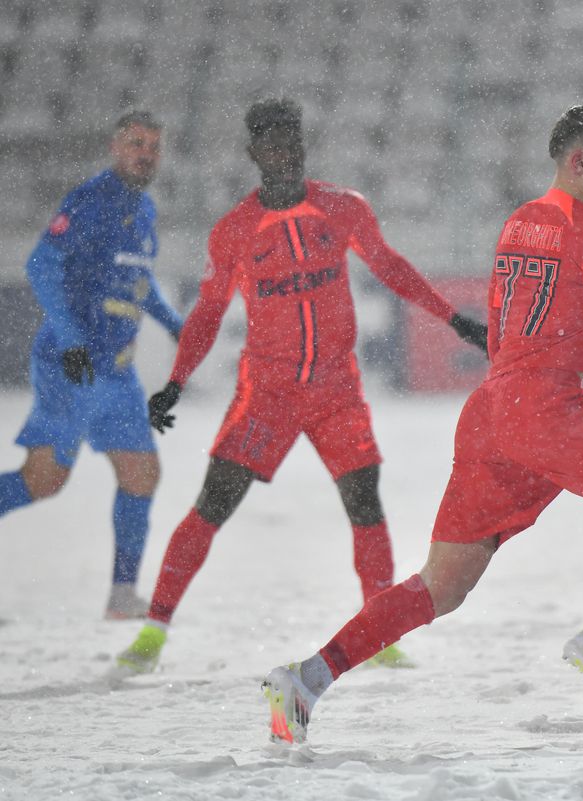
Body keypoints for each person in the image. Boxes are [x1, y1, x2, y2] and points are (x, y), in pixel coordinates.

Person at [260, 104, 583, 745]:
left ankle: (308, 677)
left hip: (490, 413)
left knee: (439, 586)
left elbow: (504, 330)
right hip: (548, 413)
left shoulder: (520, 222)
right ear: (577, 161)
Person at [114, 98, 488, 674]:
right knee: (213, 506)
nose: (284, 151)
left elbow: (389, 266)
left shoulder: (341, 206)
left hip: (338, 388)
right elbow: (209, 313)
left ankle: (382, 635)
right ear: (254, 153)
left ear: (302, 144)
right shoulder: (235, 230)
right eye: (271, 142)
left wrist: (454, 318)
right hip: (268, 394)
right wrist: (176, 383)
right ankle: (153, 633)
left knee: (365, 502)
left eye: (292, 139)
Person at [0, 111, 182, 619]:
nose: (145, 153)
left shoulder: (144, 212)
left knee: (142, 472)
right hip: (69, 365)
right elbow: (39, 264)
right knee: (44, 480)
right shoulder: (89, 200)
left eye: (153, 146)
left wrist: (175, 324)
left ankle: (122, 597)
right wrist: (72, 339)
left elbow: (139, 285)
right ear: (115, 147)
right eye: (135, 143)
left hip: (117, 373)